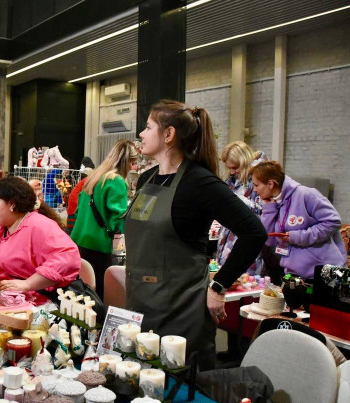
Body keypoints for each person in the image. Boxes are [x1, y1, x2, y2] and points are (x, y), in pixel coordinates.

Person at [125, 100, 267, 371]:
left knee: (181, 385)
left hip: (182, 308)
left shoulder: (200, 183)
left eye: (148, 127)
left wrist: (219, 286)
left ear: (169, 134)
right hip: (140, 302)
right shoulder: (146, 180)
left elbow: (254, 232)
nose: (141, 134)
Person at [0, 177, 80, 306]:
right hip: (12, 298)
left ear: (12, 204)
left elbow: (68, 257)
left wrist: (28, 284)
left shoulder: (39, 225)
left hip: (41, 302)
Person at [251, 160, 346, 280]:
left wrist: (297, 236)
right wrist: (269, 210)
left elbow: (333, 222)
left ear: (270, 183)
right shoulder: (273, 203)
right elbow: (268, 240)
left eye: (256, 185)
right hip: (294, 274)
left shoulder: (306, 194)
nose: (254, 190)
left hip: (324, 272)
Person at [71, 141, 138, 298]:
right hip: (99, 245)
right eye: (132, 162)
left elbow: (79, 209)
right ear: (125, 161)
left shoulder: (94, 177)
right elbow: (118, 218)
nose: (132, 167)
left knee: (81, 292)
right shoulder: (117, 181)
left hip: (79, 241)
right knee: (100, 296)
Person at [216, 141, 268, 276]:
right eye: (229, 168)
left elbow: (264, 213)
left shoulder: (261, 179)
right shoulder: (232, 181)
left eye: (235, 167)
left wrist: (234, 200)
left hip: (248, 248)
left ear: (244, 162)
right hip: (228, 246)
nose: (232, 172)